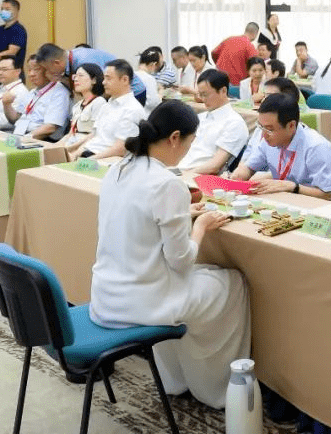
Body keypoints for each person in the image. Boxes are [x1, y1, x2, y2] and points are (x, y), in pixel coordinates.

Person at [89, 100, 250, 409]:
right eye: (190, 144)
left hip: (107, 294)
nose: (189, 151)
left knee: (206, 280)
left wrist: (181, 212)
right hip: (143, 302)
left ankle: (174, 380)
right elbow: (182, 260)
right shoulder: (167, 183)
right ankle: (213, 389)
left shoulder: (119, 168)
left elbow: (139, 217)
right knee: (233, 283)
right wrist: (200, 225)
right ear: (175, 138)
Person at [231, 94, 331, 200]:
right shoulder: (267, 140)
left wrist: (292, 187)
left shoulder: (316, 147)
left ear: (291, 126)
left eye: (270, 129)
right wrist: (237, 176)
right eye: (261, 127)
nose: (264, 134)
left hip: (320, 210)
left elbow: (328, 195)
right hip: (286, 201)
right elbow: (249, 168)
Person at [177, 70, 250, 175]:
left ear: (223, 91)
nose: (202, 99)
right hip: (179, 168)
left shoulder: (234, 124)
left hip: (196, 176)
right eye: (200, 94)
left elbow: (215, 167)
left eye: (205, 94)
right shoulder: (200, 118)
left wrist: (181, 175)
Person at [69, 60, 145, 159]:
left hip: (107, 160)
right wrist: (75, 154)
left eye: (108, 78)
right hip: (90, 155)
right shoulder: (107, 106)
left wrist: (87, 160)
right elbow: (93, 136)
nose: (103, 82)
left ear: (125, 80)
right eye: (104, 78)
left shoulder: (132, 109)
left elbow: (120, 149)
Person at [34, 42, 146, 101]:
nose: (47, 73)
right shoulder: (70, 61)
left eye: (48, 69)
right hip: (111, 96)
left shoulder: (83, 61)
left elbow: (107, 85)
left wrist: (93, 105)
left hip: (133, 92)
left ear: (56, 63)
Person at [3, 57, 70, 140]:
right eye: (29, 70)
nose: (31, 74)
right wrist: (6, 104)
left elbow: (51, 127)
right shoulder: (32, 92)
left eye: (36, 70)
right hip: (20, 134)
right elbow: (15, 118)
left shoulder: (59, 92)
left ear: (48, 71)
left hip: (43, 140)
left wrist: (25, 138)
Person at [62, 63, 107, 148]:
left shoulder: (99, 102)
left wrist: (71, 149)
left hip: (86, 147)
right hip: (71, 143)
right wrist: (54, 146)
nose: (76, 79)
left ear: (94, 80)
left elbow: (95, 134)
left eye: (80, 76)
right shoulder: (77, 105)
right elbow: (70, 134)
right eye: (75, 76)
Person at [135, 49, 162, 114]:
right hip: (145, 116)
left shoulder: (132, 75)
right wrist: (160, 93)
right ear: (154, 64)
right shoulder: (149, 79)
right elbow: (154, 104)